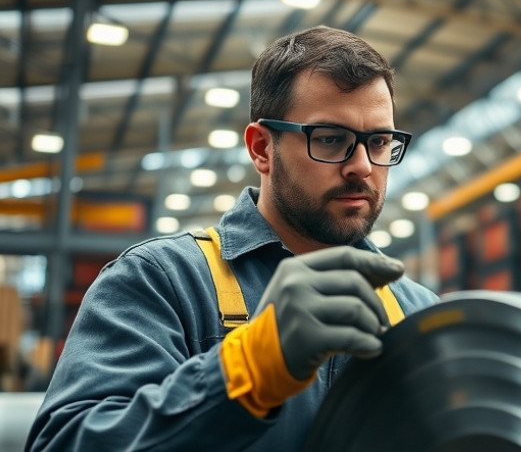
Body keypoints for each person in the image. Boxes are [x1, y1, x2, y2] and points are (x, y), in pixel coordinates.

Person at [26, 26, 439, 451]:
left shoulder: (421, 315)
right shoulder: (164, 282)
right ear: (262, 148)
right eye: (331, 139)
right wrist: (248, 370)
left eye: (380, 141)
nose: (362, 166)